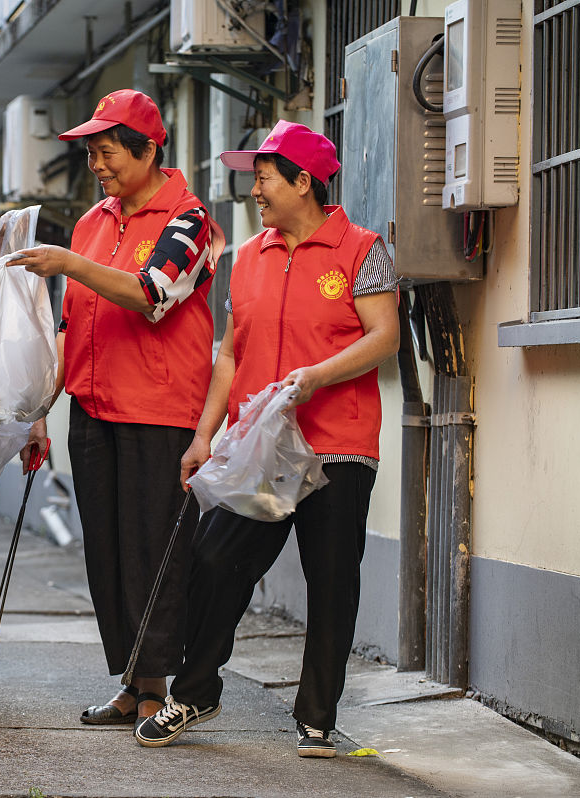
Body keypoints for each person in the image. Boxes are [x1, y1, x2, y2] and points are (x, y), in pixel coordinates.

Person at [133, 120, 400, 757]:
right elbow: (230, 355)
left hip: (337, 445)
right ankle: (197, 692)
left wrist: (316, 377)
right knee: (214, 559)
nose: (254, 189)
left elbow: (384, 336)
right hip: (261, 448)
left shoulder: (362, 250)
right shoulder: (249, 257)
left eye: (264, 177)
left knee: (331, 580)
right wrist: (205, 437)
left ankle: (316, 716)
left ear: (303, 181)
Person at [10, 90, 225, 725]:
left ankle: (158, 687)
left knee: (153, 550)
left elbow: (153, 294)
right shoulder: (93, 221)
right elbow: (69, 325)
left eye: (106, 152)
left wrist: (69, 262)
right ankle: (133, 681)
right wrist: (41, 411)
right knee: (105, 550)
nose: (96, 165)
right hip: (94, 411)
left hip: (159, 412)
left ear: (148, 149)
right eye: (92, 155)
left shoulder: (189, 221)